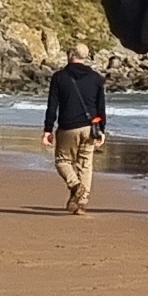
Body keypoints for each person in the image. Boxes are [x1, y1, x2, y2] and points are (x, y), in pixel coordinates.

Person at [43, 46, 109, 215]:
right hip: (89, 127)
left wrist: (48, 129)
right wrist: (102, 129)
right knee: (85, 164)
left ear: (71, 55)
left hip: (67, 127)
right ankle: (81, 203)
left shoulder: (59, 77)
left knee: (62, 160)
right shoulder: (96, 78)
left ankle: (75, 185)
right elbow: (101, 106)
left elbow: (52, 105)